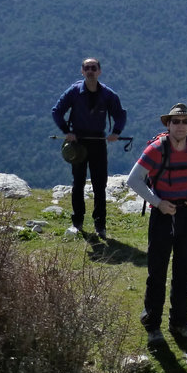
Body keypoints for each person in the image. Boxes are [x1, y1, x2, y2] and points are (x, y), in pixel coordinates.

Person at [127, 103, 187, 344]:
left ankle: (180, 322)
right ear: (168, 125)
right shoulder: (157, 149)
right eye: (175, 122)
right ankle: (152, 324)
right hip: (163, 213)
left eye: (184, 121)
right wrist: (157, 202)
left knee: (185, 269)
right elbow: (133, 180)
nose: (180, 125)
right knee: (157, 270)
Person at [51, 57, 127, 240]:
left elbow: (120, 115)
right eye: (87, 68)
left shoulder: (108, 95)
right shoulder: (74, 92)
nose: (90, 71)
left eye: (93, 68)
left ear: (99, 71)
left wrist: (116, 132)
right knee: (78, 183)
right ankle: (77, 222)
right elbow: (57, 111)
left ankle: (100, 224)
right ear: (82, 71)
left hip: (98, 141)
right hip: (78, 142)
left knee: (99, 184)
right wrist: (66, 131)